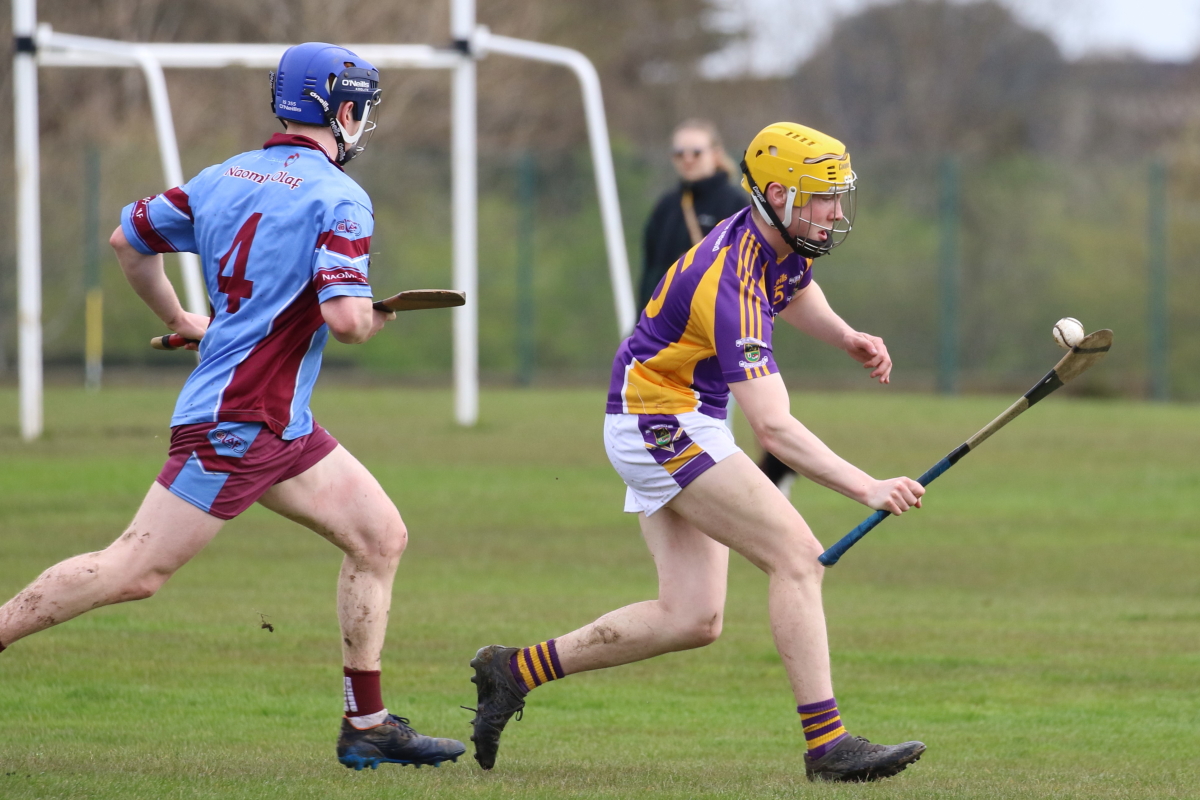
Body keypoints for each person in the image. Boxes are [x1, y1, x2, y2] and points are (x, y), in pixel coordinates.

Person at [0, 42, 465, 772]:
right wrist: (377, 318)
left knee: (379, 537)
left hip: (279, 422)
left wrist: (188, 318)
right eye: (362, 112)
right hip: (241, 420)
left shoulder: (223, 176)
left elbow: (129, 239)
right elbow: (346, 322)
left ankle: (367, 724)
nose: (363, 126)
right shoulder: (339, 196)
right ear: (342, 111)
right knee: (134, 570)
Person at [467, 122, 927, 782]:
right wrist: (867, 486)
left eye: (837, 196)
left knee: (693, 617)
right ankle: (828, 746)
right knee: (798, 557)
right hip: (657, 418)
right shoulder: (731, 279)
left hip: (681, 416)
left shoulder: (776, 237)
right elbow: (775, 430)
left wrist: (845, 335)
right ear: (777, 193)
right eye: (823, 197)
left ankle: (513, 671)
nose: (835, 211)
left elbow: (794, 286)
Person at [639, 119, 747, 310]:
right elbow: (651, 273)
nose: (687, 159)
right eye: (679, 154)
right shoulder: (666, 206)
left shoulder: (734, 204)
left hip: (715, 316)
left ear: (716, 154)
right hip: (664, 321)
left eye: (696, 153)